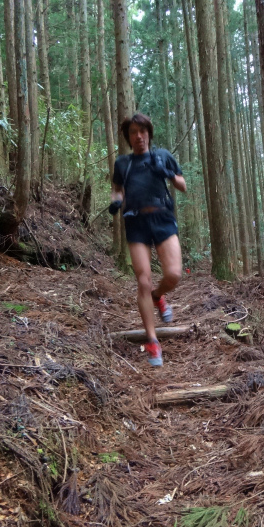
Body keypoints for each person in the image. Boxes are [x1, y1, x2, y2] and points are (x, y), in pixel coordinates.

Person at [110, 113, 186, 367]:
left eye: (142, 131)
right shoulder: (123, 163)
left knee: (174, 274)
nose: (139, 136)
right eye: (133, 132)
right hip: (136, 223)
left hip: (163, 218)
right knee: (143, 280)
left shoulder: (163, 155)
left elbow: (182, 185)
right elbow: (117, 188)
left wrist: (167, 173)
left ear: (149, 134)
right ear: (128, 137)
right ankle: (152, 341)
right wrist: (116, 201)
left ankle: (158, 295)